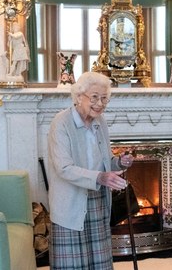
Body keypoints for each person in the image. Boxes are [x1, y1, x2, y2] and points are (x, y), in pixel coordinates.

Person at [47, 71, 134, 269]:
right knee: (73, 265)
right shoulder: (60, 123)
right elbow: (64, 168)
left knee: (99, 264)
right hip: (71, 203)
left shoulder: (100, 122)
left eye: (104, 98)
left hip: (98, 201)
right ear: (79, 96)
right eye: (94, 97)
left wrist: (120, 162)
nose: (100, 103)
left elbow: (104, 161)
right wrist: (101, 177)